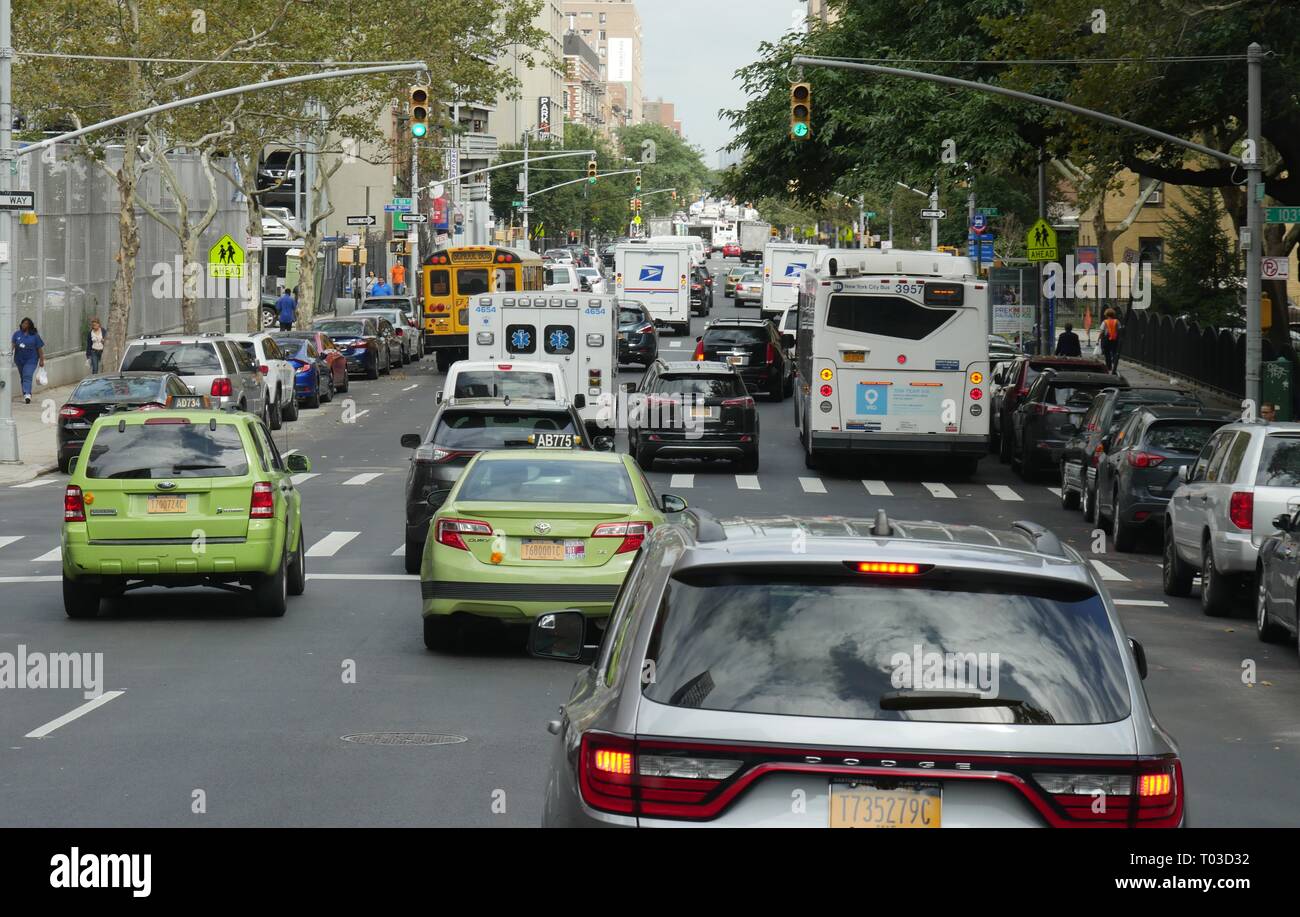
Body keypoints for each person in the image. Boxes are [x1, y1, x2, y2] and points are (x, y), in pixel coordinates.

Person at [11, 316, 44, 404]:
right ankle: (25, 393)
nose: (24, 325)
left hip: (31, 359)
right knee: (23, 377)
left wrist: (41, 360)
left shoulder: (35, 336)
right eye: (23, 323)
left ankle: (27, 395)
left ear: (29, 325)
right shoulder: (17, 334)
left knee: (27, 375)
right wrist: (8, 353)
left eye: (26, 324)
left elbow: (39, 349)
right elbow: (13, 345)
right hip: (19, 359)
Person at [1100, 308, 1122, 374]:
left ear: (1106, 314)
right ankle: (1114, 364)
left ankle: (1109, 367)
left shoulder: (1105, 322)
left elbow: (1102, 331)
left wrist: (1100, 338)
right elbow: (1119, 329)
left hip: (1107, 338)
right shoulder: (1117, 321)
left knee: (1107, 353)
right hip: (1115, 339)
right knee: (1114, 352)